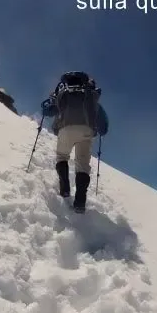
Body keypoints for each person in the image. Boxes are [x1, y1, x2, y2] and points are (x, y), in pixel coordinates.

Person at [41, 71, 109, 213]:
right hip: (86, 131)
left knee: (62, 156)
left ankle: (65, 189)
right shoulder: (91, 96)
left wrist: (48, 105)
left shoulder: (64, 94)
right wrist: (100, 129)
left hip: (65, 128)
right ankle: (80, 203)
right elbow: (104, 126)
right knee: (82, 166)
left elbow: (48, 111)